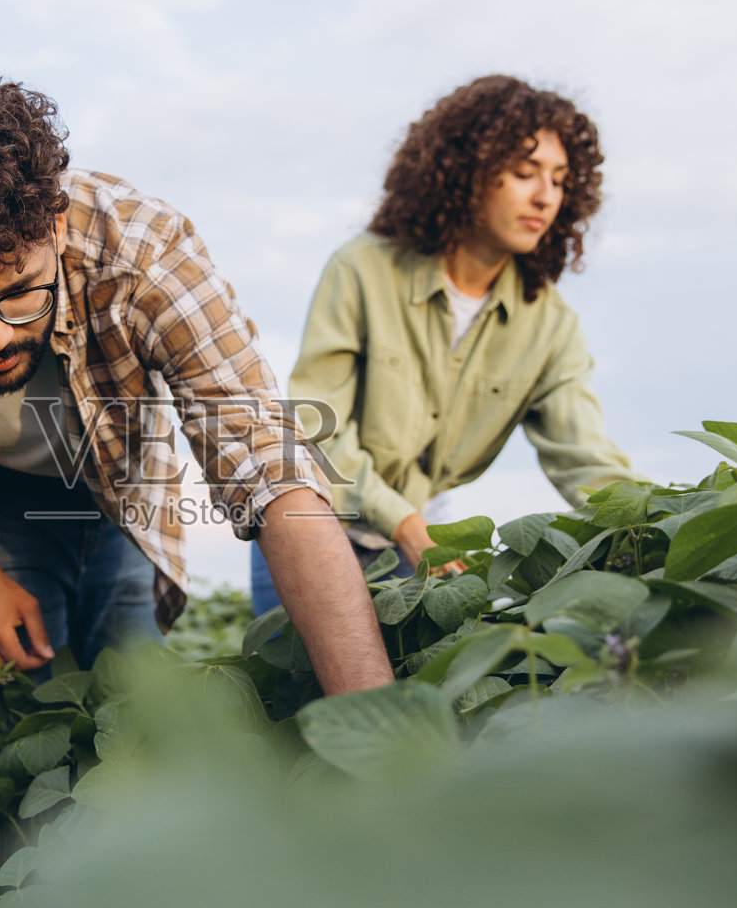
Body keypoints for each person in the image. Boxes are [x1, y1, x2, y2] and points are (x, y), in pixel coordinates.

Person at [0, 67, 391, 695]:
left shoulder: (143, 253)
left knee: (131, 701)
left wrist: (371, 715)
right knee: (11, 701)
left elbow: (266, 462)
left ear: (54, 229)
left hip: (121, 482)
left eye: (20, 294)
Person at [251, 75, 645, 615]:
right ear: (466, 171)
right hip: (312, 522)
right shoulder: (363, 270)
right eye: (524, 173)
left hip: (417, 544)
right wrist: (405, 523)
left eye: (559, 180)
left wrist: (674, 519)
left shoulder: (550, 326)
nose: (545, 196)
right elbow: (316, 429)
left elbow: (586, 459)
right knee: (310, 672)